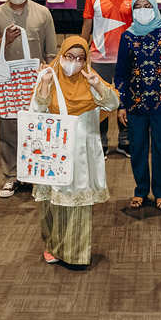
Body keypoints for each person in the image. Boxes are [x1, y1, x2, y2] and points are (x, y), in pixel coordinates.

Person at [31, 37, 118, 265]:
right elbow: (35, 111)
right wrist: (45, 84)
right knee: (53, 201)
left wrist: (96, 84)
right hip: (54, 151)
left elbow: (112, 103)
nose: (74, 63)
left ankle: (76, 255)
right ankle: (52, 245)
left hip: (82, 152)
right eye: (70, 57)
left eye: (80, 58)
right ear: (61, 55)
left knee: (79, 203)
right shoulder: (49, 77)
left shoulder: (90, 79)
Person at [0, 0, 57, 198]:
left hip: (36, 82)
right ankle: (11, 176)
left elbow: (51, 51)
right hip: (6, 82)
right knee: (8, 129)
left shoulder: (43, 13)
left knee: (37, 128)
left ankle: (35, 175)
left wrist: (50, 73)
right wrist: (1, 42)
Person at [114, 0, 161, 210]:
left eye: (147, 6)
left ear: (155, 8)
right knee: (137, 148)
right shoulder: (127, 36)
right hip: (135, 103)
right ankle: (141, 190)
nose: (142, 10)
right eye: (138, 7)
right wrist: (121, 104)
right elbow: (121, 73)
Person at [80, 0, 137, 158]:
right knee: (100, 102)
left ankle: (125, 141)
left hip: (126, 59)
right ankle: (101, 142)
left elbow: (138, 28)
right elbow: (86, 28)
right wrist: (80, 53)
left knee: (127, 101)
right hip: (99, 59)